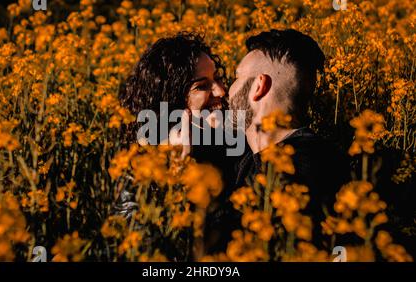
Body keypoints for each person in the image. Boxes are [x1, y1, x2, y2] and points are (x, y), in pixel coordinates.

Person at [219, 29, 351, 251]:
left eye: (236, 78)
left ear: (258, 87)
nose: (225, 91)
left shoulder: (308, 166)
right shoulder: (254, 159)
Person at [114, 32, 236, 261]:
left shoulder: (231, 143)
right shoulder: (141, 162)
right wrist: (175, 176)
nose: (221, 91)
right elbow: (138, 246)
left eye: (218, 79)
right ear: (172, 99)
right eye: (203, 86)